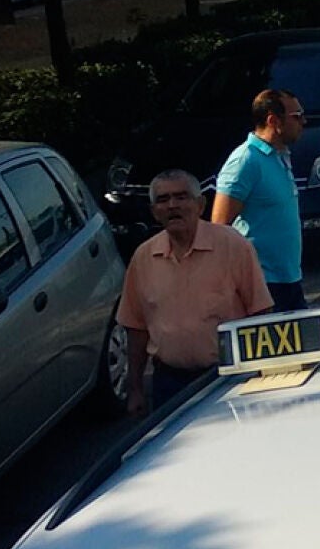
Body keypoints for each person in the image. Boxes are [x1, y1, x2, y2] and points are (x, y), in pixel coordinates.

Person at [118, 170, 274, 416]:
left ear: (200, 204)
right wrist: (135, 387)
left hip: (228, 377)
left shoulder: (233, 246)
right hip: (168, 383)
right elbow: (135, 328)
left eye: (181, 197)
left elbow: (261, 312)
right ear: (153, 211)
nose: (172, 206)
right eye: (163, 200)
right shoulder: (143, 258)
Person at [213, 88, 308, 310]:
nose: (304, 121)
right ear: (274, 120)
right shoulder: (245, 161)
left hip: (289, 279)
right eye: (297, 116)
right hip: (261, 285)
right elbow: (218, 228)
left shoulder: (280, 156)